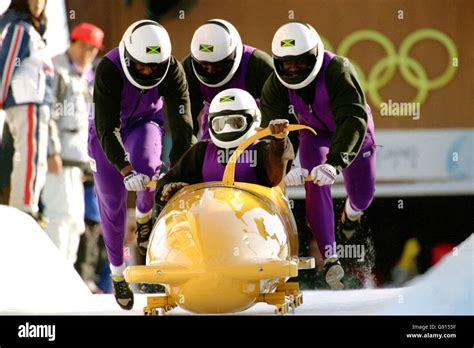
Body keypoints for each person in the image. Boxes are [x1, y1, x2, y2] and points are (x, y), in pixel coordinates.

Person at [260, 21, 376, 290]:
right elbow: (275, 133)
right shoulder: (274, 85)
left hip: (353, 132)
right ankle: (331, 258)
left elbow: (352, 118)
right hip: (313, 133)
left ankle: (352, 211)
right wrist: (284, 167)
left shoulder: (338, 70)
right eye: (286, 64)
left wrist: (335, 163)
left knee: (363, 196)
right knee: (314, 180)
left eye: (299, 63)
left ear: (313, 57)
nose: (292, 69)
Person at [89, 19, 193, 309]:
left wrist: (177, 169)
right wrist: (124, 168)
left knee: (149, 166)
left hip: (145, 121)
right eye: (141, 66)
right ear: (128, 58)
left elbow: (183, 125)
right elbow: (107, 127)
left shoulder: (173, 69)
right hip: (107, 131)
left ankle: (145, 217)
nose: (148, 71)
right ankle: (118, 272)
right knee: (111, 202)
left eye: (153, 67)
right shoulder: (108, 69)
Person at [155, 88, 294, 207]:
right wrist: (168, 190)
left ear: (253, 119)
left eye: (236, 122)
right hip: (211, 225)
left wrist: (279, 140)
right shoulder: (201, 152)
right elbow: (169, 180)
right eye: (220, 124)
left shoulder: (262, 150)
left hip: (254, 225)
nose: (228, 129)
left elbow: (276, 172)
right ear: (211, 125)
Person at [41, 22, 104, 263]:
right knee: (59, 217)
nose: (88, 53)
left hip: (76, 164)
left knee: (75, 222)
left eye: (94, 49)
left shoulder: (84, 77)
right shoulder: (58, 70)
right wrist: (51, 151)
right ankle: (52, 277)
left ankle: (65, 277)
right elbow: (47, 115)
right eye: (85, 46)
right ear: (74, 42)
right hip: (59, 160)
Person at [0, 0, 58, 220]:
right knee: (30, 156)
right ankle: (24, 207)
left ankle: (27, 203)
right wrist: (2, 97)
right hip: (27, 102)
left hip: (34, 103)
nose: (37, 4)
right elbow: (6, 65)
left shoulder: (33, 30)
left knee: (35, 156)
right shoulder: (20, 27)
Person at [181, 19, 273, 139]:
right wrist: (189, 153)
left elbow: (277, 110)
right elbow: (185, 119)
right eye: (205, 66)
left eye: (217, 66)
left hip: (255, 128)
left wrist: (270, 146)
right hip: (215, 128)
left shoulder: (259, 66)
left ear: (233, 57)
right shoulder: (188, 70)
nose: (211, 70)